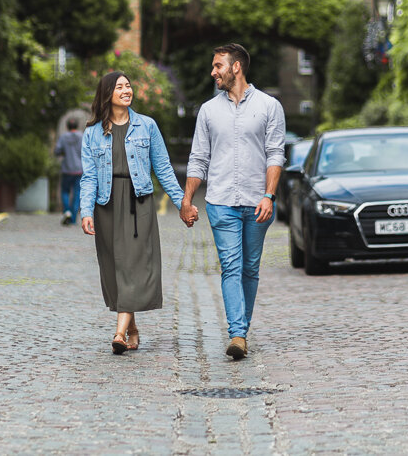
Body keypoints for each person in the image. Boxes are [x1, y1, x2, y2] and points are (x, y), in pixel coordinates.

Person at [181, 43, 286, 360]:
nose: (213, 72)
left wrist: (269, 195)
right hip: (221, 201)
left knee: (250, 269)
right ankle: (237, 334)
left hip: (258, 203)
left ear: (236, 67)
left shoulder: (269, 106)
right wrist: (186, 200)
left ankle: (242, 328)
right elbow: (198, 158)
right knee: (231, 267)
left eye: (218, 66)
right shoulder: (209, 111)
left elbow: (275, 155)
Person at [80, 71, 186, 355]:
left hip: (138, 203)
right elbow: (89, 177)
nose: (127, 90)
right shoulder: (91, 133)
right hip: (107, 204)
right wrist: (85, 211)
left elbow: (163, 168)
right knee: (116, 269)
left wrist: (181, 203)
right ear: (107, 94)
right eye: (120, 87)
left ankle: (118, 333)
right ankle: (132, 327)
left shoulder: (147, 126)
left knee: (134, 266)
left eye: (129, 85)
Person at [54, 117, 84, 225]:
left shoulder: (63, 137)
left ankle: (67, 211)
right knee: (77, 193)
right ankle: (73, 218)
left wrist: (63, 153)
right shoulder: (81, 136)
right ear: (77, 126)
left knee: (65, 192)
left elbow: (57, 150)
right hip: (79, 169)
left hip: (67, 169)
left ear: (67, 126)